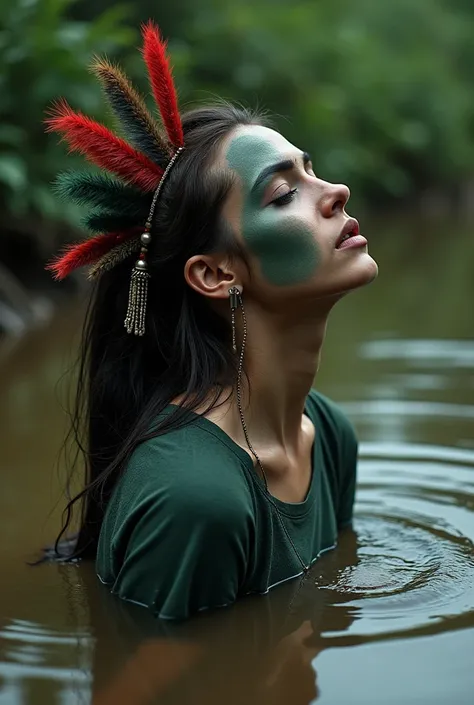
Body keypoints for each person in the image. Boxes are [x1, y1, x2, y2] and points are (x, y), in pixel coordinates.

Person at [46, 21, 378, 620]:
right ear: (215, 275)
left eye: (311, 169)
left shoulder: (328, 435)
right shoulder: (197, 501)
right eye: (283, 193)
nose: (336, 191)